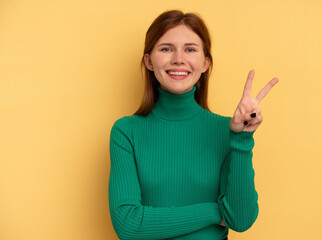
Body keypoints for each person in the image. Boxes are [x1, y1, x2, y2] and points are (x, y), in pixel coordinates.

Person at [108, 9, 279, 240]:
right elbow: (128, 225)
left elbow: (240, 219)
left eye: (190, 49)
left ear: (205, 62)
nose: (179, 59)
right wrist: (214, 211)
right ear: (149, 61)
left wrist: (242, 138)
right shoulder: (126, 132)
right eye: (166, 49)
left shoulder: (227, 131)